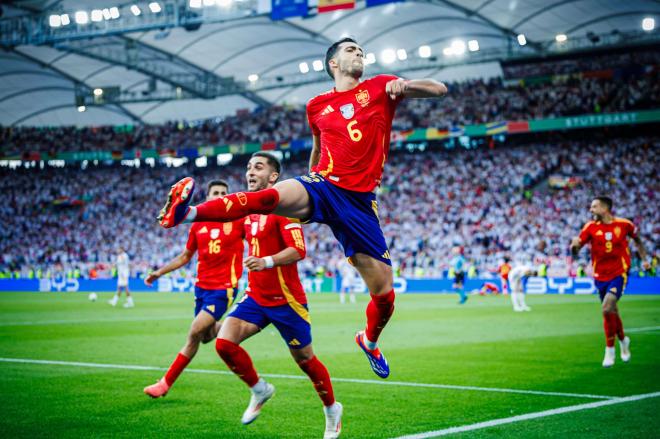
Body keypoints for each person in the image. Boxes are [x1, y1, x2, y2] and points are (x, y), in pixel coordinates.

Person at [157, 37, 447, 379]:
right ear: (334, 64)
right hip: (324, 185)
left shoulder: (382, 86)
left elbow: (439, 88)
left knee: (384, 293)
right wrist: (307, 185)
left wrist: (407, 85)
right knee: (270, 198)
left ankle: (369, 340)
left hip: (360, 202)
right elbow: (318, 147)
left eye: (361, 51)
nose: (359, 54)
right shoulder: (316, 106)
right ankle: (187, 212)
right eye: (351, 50)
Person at [214, 153, 342, 438]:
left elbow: (299, 250)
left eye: (258, 167)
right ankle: (260, 390)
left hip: (287, 301)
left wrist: (267, 261)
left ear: (273, 177)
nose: (251, 172)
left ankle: (332, 409)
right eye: (248, 167)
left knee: (306, 361)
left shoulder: (284, 208)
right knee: (224, 343)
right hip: (256, 297)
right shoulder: (247, 209)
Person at [143, 180, 245, 398]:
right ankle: (235, 325)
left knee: (194, 332)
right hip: (202, 289)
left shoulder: (238, 221)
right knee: (206, 336)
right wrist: (159, 272)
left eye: (223, 193)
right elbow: (185, 257)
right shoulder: (198, 225)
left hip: (224, 288)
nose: (219, 196)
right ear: (207, 197)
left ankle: (164, 383)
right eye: (215, 193)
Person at [570, 196, 650, 367]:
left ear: (605, 208)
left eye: (594, 206)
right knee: (612, 311)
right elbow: (576, 250)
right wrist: (574, 246)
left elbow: (638, 241)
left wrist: (644, 259)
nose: (591, 210)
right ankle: (623, 341)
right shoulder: (590, 227)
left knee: (607, 307)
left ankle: (609, 350)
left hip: (619, 273)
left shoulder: (624, 224)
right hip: (599, 276)